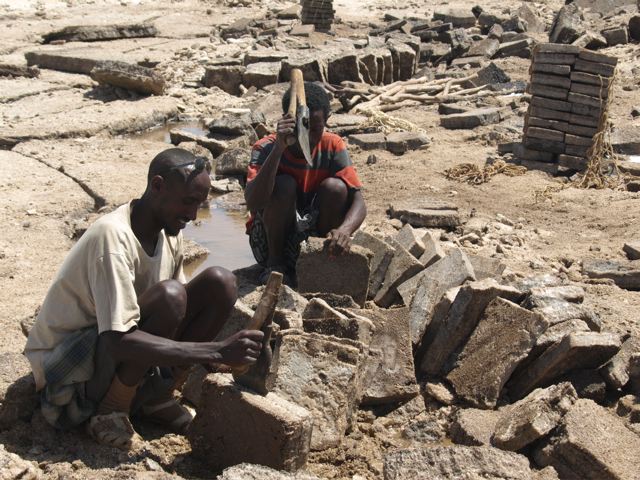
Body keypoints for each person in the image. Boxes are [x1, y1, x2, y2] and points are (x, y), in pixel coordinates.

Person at [24, 148, 263, 450]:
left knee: (222, 283)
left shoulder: (168, 232)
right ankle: (111, 409)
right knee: (170, 296)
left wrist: (222, 358)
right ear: (158, 186)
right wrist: (215, 352)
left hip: (111, 356)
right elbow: (117, 340)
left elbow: (179, 314)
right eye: (188, 202)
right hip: (68, 376)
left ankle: (158, 397)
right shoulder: (113, 238)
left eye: (199, 205)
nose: (192, 215)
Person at [244, 82, 367, 286]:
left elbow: (359, 201)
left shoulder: (332, 145)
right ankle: (276, 267)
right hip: (270, 243)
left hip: (312, 237)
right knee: (283, 185)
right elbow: (254, 202)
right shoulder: (265, 148)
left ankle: (320, 260)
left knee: (335, 188)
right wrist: (279, 149)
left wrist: (345, 230)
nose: (307, 138)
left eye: (316, 129)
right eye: (302, 128)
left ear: (327, 121)